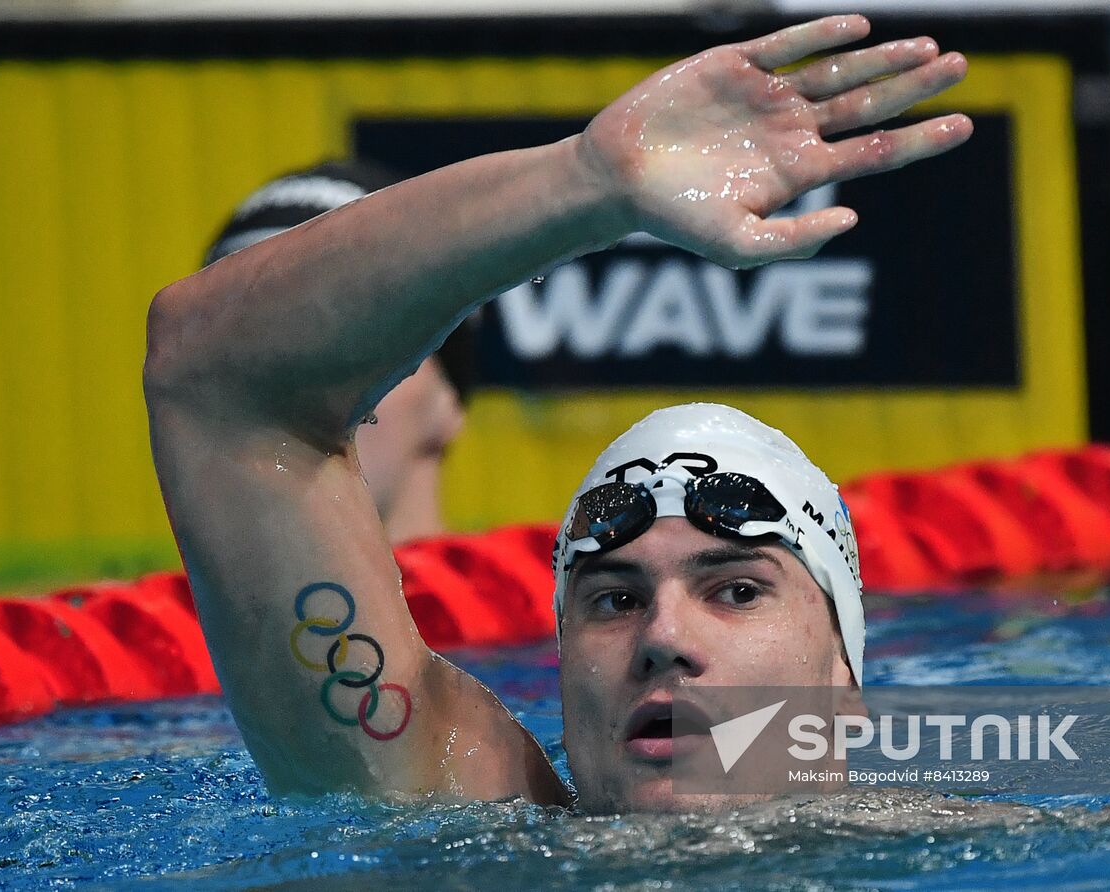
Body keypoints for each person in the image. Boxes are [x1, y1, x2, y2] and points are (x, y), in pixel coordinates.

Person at [144, 15, 972, 813]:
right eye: (612, 599)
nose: (663, 636)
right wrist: (588, 185)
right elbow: (216, 380)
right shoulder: (481, 838)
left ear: (844, 678)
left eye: (736, 590)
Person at [203, 161, 472, 545]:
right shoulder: (136, 606)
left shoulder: (553, 602)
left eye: (340, 338)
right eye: (241, 344)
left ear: (447, 400)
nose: (283, 375)